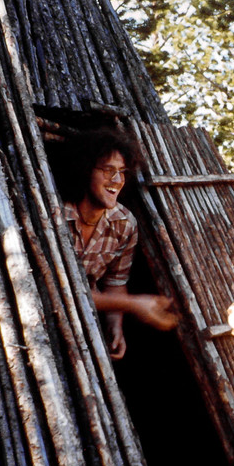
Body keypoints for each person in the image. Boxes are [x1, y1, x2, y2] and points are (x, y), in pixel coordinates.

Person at [62, 127, 178, 359]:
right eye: (108, 170)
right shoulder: (57, 216)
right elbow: (59, 289)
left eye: (122, 172)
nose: (116, 180)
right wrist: (134, 305)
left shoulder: (124, 223)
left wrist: (115, 325)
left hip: (82, 326)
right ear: (85, 170)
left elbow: (115, 282)